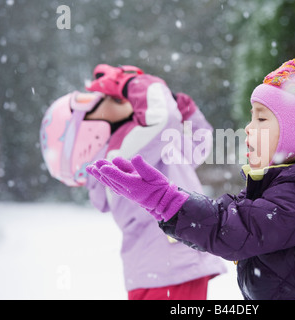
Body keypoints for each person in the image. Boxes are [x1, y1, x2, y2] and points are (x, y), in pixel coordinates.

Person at [86, 58, 295, 300]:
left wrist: (166, 200)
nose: (249, 129)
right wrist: (161, 203)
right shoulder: (280, 185)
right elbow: (225, 216)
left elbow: (235, 230)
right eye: (251, 118)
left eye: (262, 119)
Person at [40, 64, 226, 300]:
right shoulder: (118, 154)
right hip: (169, 269)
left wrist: (186, 113)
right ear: (87, 131)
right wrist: (131, 84)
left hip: (165, 268)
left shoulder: (142, 144)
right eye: (110, 98)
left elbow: (195, 148)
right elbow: (163, 117)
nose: (116, 96)